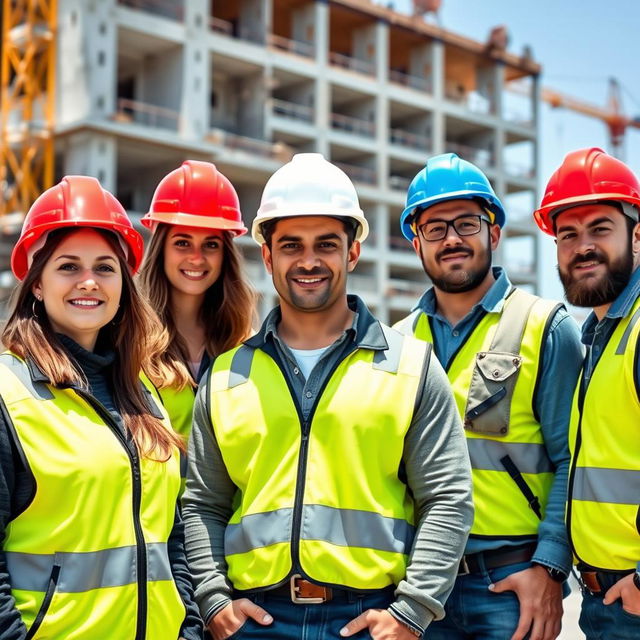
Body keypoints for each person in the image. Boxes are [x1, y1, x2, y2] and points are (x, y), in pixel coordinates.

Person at [182, 153, 474, 640]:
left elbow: (447, 498)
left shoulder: (412, 366)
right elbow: (202, 504)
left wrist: (412, 612)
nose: (309, 260)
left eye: (326, 244)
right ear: (268, 256)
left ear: (352, 253)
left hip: (369, 620)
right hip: (255, 622)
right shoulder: (226, 375)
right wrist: (212, 598)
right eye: (291, 245)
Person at [0, 176, 202, 639]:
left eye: (105, 267)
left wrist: (189, 628)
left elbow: (170, 538)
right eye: (68, 266)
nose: (89, 282)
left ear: (123, 283)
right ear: (36, 284)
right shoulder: (7, 395)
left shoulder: (144, 393)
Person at [394, 153, 584, 640]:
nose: (452, 238)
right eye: (435, 228)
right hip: (418, 586)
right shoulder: (396, 341)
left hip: (510, 582)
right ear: (417, 243)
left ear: (493, 233)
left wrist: (550, 568)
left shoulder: (544, 325)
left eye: (466, 223)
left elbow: (573, 460)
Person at [533, 147, 640, 640]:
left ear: (637, 236)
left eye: (600, 229)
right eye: (567, 235)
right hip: (607, 600)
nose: (582, 247)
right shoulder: (598, 336)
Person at [138, 160, 255, 441]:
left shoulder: (246, 344)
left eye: (211, 245)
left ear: (225, 254)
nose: (196, 257)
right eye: (182, 242)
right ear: (161, 249)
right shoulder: (128, 340)